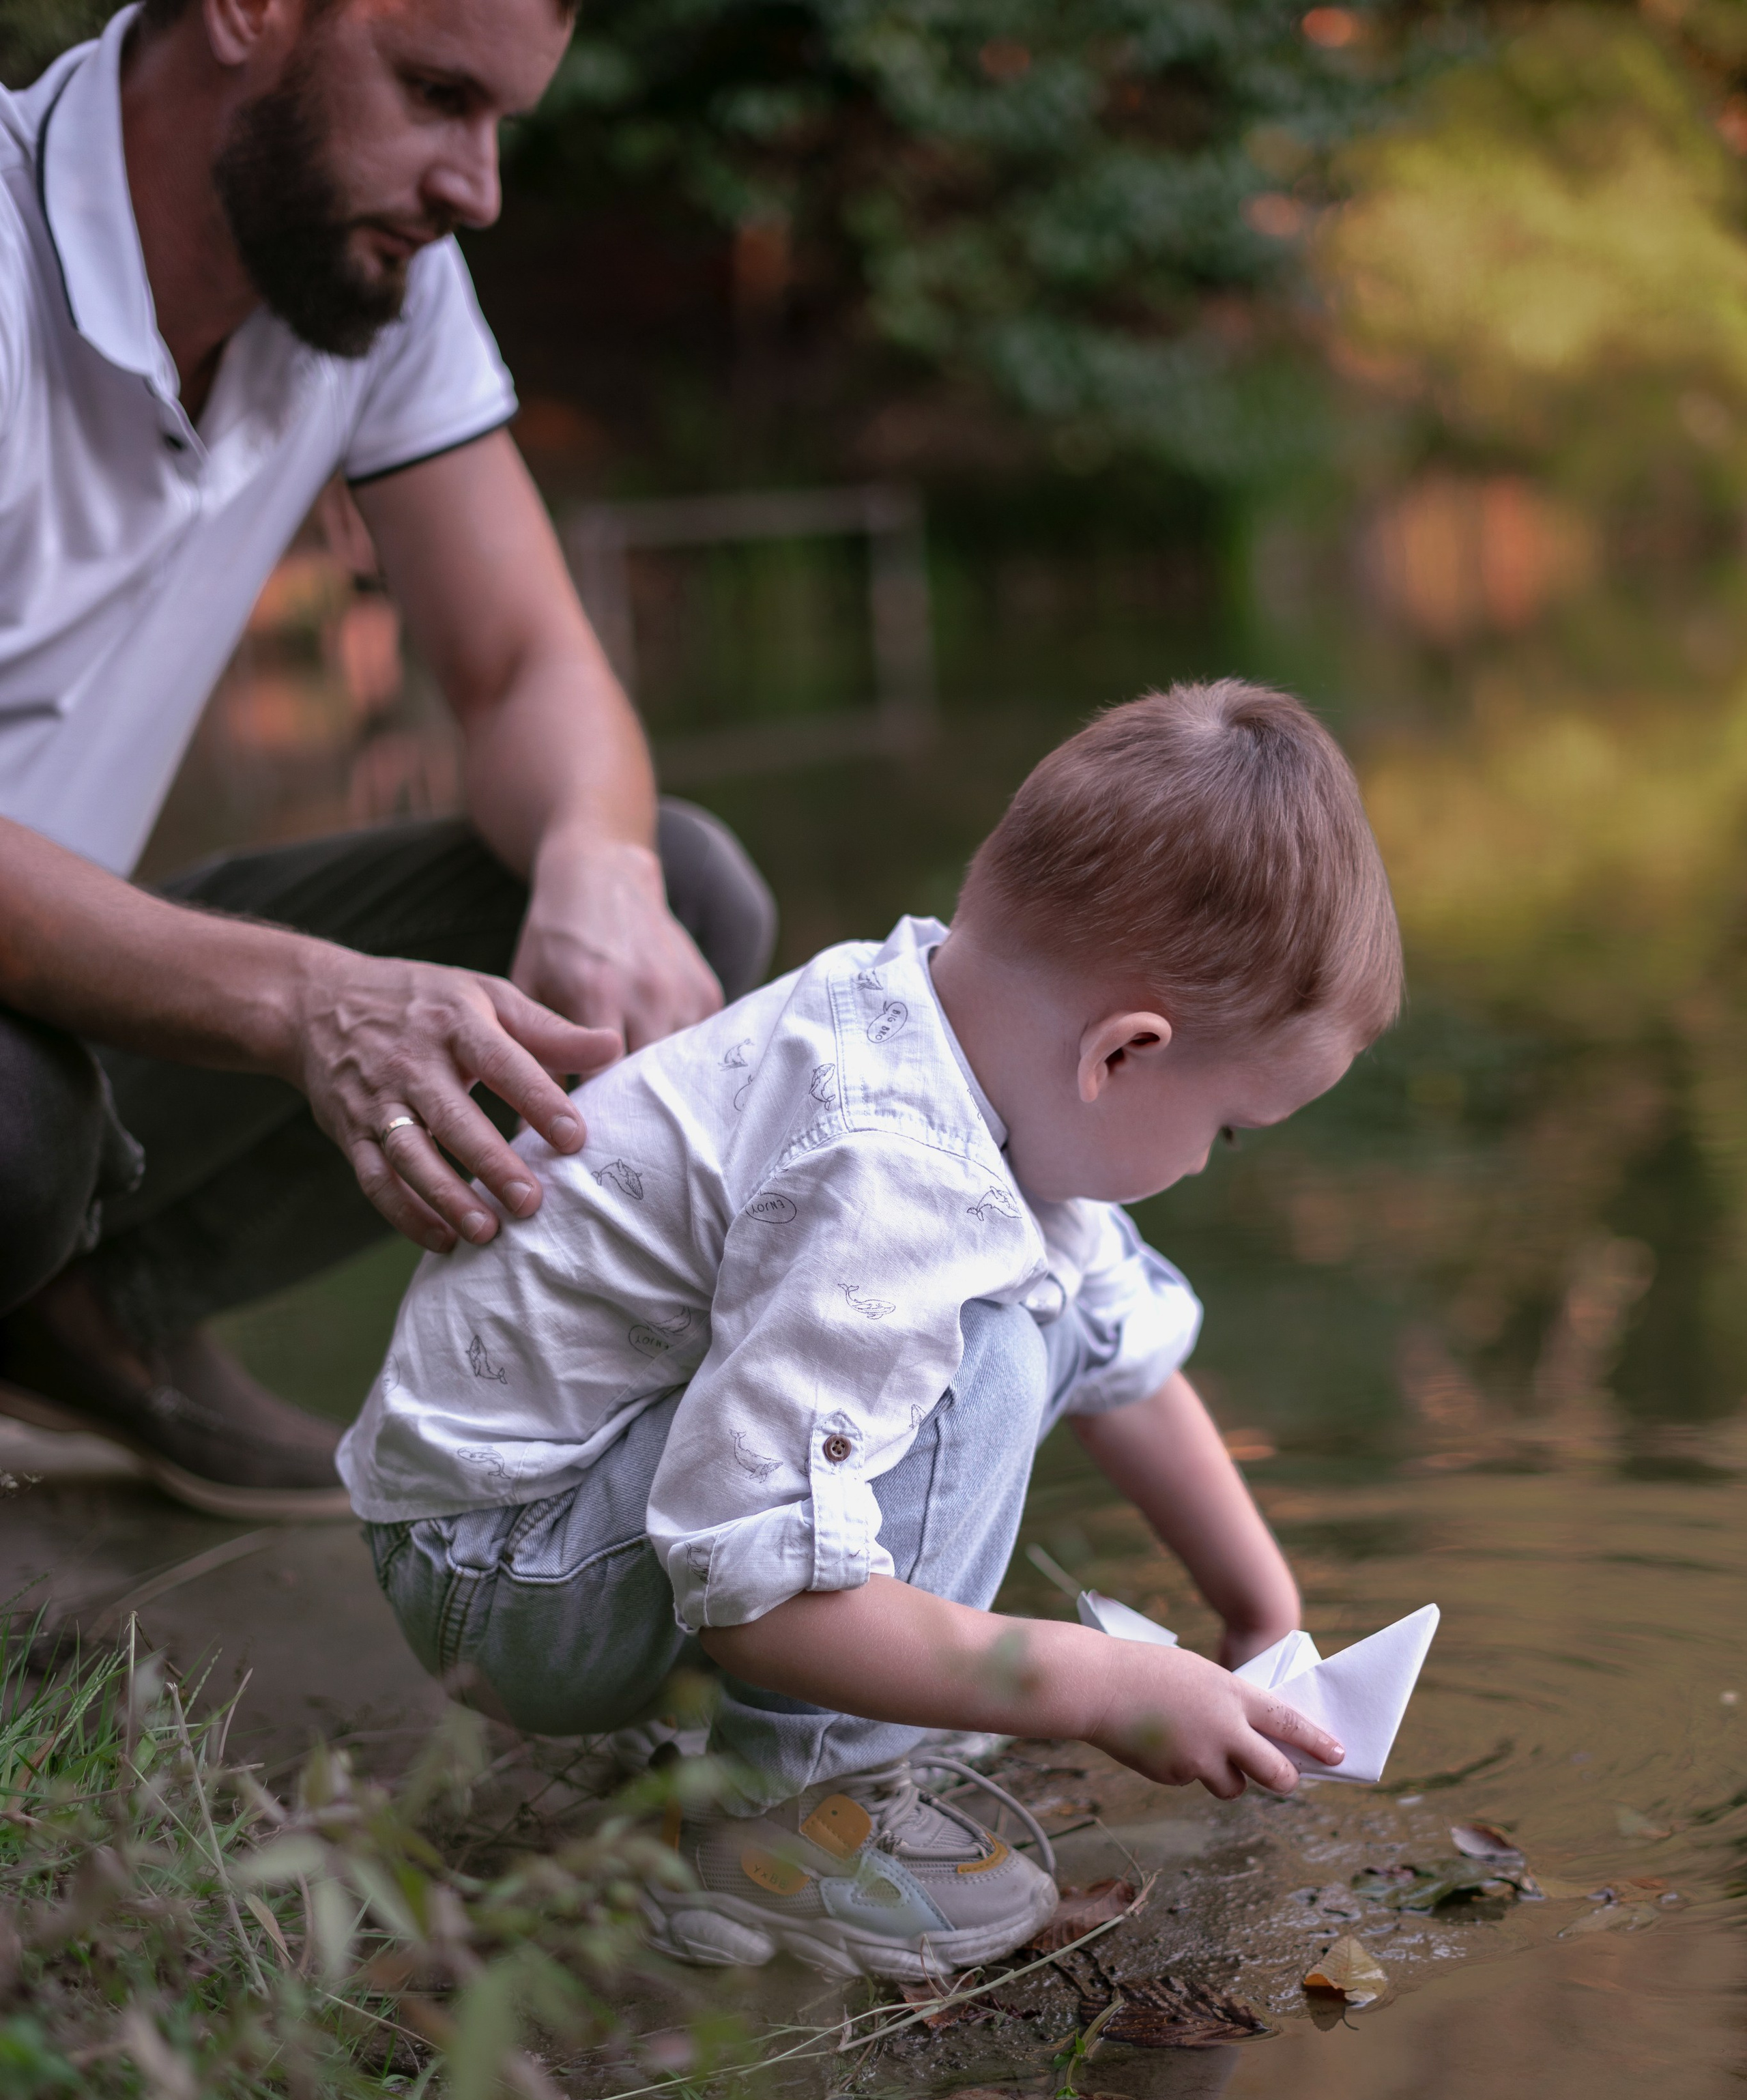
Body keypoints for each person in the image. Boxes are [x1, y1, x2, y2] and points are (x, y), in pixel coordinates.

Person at [341, 682, 1403, 1977]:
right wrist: (1097, 1681)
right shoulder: (891, 1177)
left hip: (548, 1515)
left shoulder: (940, 1022)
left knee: (1037, 1316)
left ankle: (741, 1751)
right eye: (1226, 1130)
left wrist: (1258, 1616)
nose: (1206, 1166)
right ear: (1123, 1054)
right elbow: (758, 1597)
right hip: (505, 1571)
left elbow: (1120, 1349)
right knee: (991, 1353)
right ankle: (787, 1821)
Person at [0, 0, 775, 1519]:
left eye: (496, 122)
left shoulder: (374, 280)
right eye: (433, 95)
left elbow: (522, 667)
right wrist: (311, 1002)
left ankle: (85, 1318)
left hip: (53, 984)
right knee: (13, 1129)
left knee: (673, 892)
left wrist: (595, 869)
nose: (475, 185)